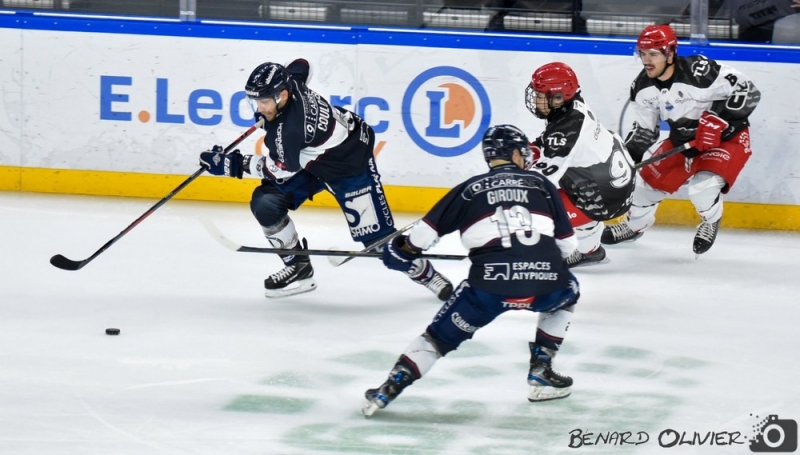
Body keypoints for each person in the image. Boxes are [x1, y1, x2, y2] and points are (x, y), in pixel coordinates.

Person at [361, 124, 580, 417]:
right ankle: (541, 368)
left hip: (487, 290)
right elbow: (569, 247)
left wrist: (398, 252)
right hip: (547, 283)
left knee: (436, 340)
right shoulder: (541, 184)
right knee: (570, 291)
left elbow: (419, 240)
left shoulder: (469, 189)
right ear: (515, 154)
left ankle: (390, 387)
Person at [199, 59, 453, 300]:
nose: (260, 108)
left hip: (349, 166)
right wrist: (270, 111)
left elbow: (281, 169)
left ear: (282, 95)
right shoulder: (292, 82)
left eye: (264, 101)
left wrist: (232, 164)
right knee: (266, 203)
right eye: (256, 101)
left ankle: (427, 274)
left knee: (378, 243)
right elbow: (302, 65)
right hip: (313, 161)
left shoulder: (290, 130)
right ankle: (298, 266)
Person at [602, 25, 761, 255]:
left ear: (670, 53)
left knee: (702, 190)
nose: (647, 60)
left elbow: (749, 90)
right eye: (643, 53)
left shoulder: (698, 71)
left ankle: (710, 220)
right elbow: (644, 134)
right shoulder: (642, 88)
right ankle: (635, 227)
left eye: (653, 54)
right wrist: (623, 163)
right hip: (683, 142)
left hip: (726, 139)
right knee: (639, 189)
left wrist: (720, 120)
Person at [523, 62, 636, 267]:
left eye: (541, 95)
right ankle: (590, 249)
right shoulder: (572, 106)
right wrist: (533, 150)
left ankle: (532, 252)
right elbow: (551, 143)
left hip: (605, 198)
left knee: (531, 209)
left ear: (557, 97)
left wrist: (506, 181)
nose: (536, 100)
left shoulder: (566, 131)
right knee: (570, 182)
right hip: (610, 182)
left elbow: (538, 181)